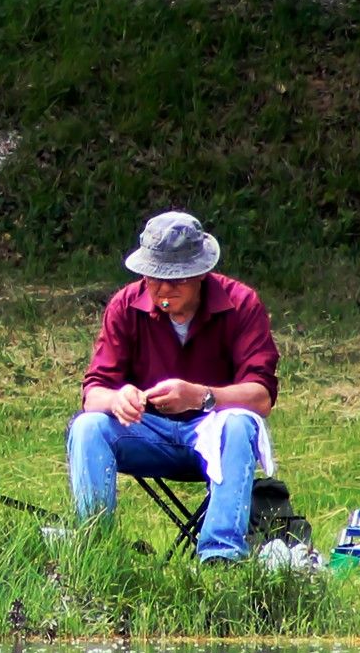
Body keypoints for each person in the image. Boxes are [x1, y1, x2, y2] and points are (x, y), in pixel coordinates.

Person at [65, 210, 279, 561]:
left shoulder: (242, 304)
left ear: (201, 274)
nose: (163, 289)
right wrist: (118, 398)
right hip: (145, 435)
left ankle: (220, 556)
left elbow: (261, 397)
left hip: (215, 435)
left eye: (176, 279)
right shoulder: (124, 305)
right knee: (88, 426)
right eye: (154, 278)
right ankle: (94, 550)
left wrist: (202, 396)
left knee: (240, 423)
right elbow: (93, 394)